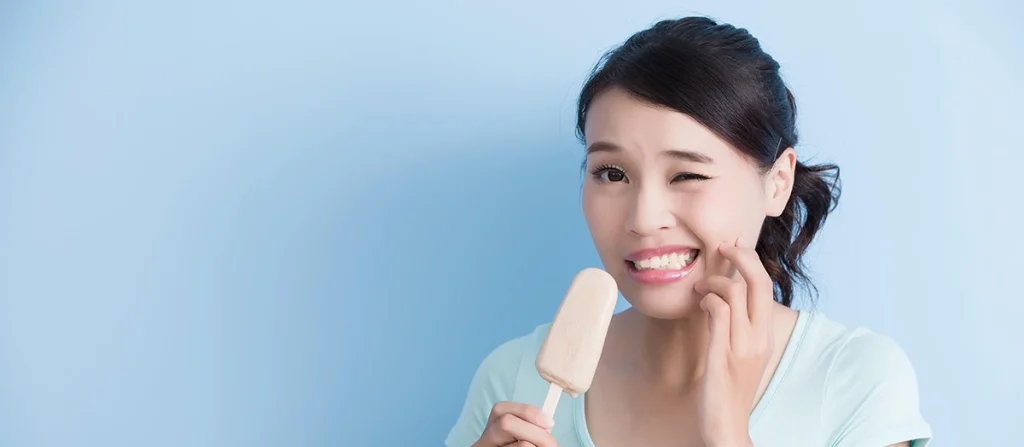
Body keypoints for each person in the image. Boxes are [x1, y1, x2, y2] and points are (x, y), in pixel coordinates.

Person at [445, 16, 931, 447]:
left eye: (687, 175)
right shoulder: (514, 378)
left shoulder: (855, 382)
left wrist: (727, 433)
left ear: (777, 183)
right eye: (612, 174)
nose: (642, 217)